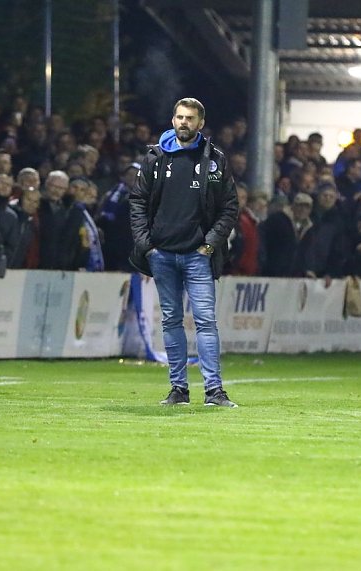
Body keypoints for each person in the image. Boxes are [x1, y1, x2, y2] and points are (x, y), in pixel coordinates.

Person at [128, 97, 238, 408]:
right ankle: (178, 389)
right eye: (179, 117)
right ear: (172, 119)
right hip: (161, 253)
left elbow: (229, 207)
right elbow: (137, 202)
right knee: (171, 321)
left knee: (205, 321)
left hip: (197, 255)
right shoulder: (155, 158)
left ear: (201, 124)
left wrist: (210, 244)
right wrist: (145, 245)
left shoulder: (214, 159)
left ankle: (214, 390)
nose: (183, 123)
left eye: (190, 118)